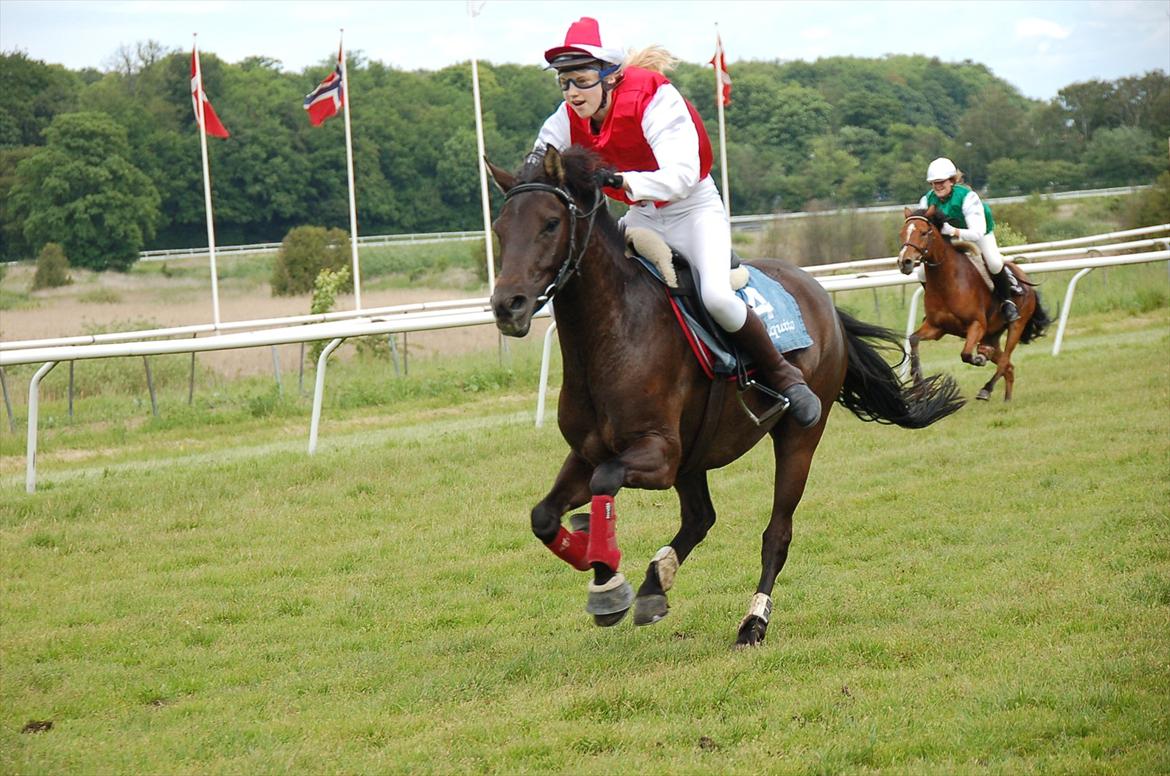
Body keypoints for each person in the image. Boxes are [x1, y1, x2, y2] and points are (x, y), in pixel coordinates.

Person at [533, 17, 821, 428]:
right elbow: (541, 160)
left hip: (693, 210)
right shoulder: (566, 118)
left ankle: (784, 375)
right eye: (565, 83)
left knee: (717, 298)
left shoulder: (654, 97)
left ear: (610, 77)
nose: (572, 93)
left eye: (580, 81)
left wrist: (619, 180)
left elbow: (682, 173)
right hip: (642, 215)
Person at [919, 157, 1020, 322]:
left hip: (979, 234)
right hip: (949, 236)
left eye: (941, 182)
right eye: (934, 183)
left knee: (994, 262)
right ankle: (936, 305)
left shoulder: (968, 197)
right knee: (922, 273)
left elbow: (977, 233)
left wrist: (953, 231)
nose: (937, 186)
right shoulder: (927, 200)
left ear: (952, 180)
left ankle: (1007, 302)